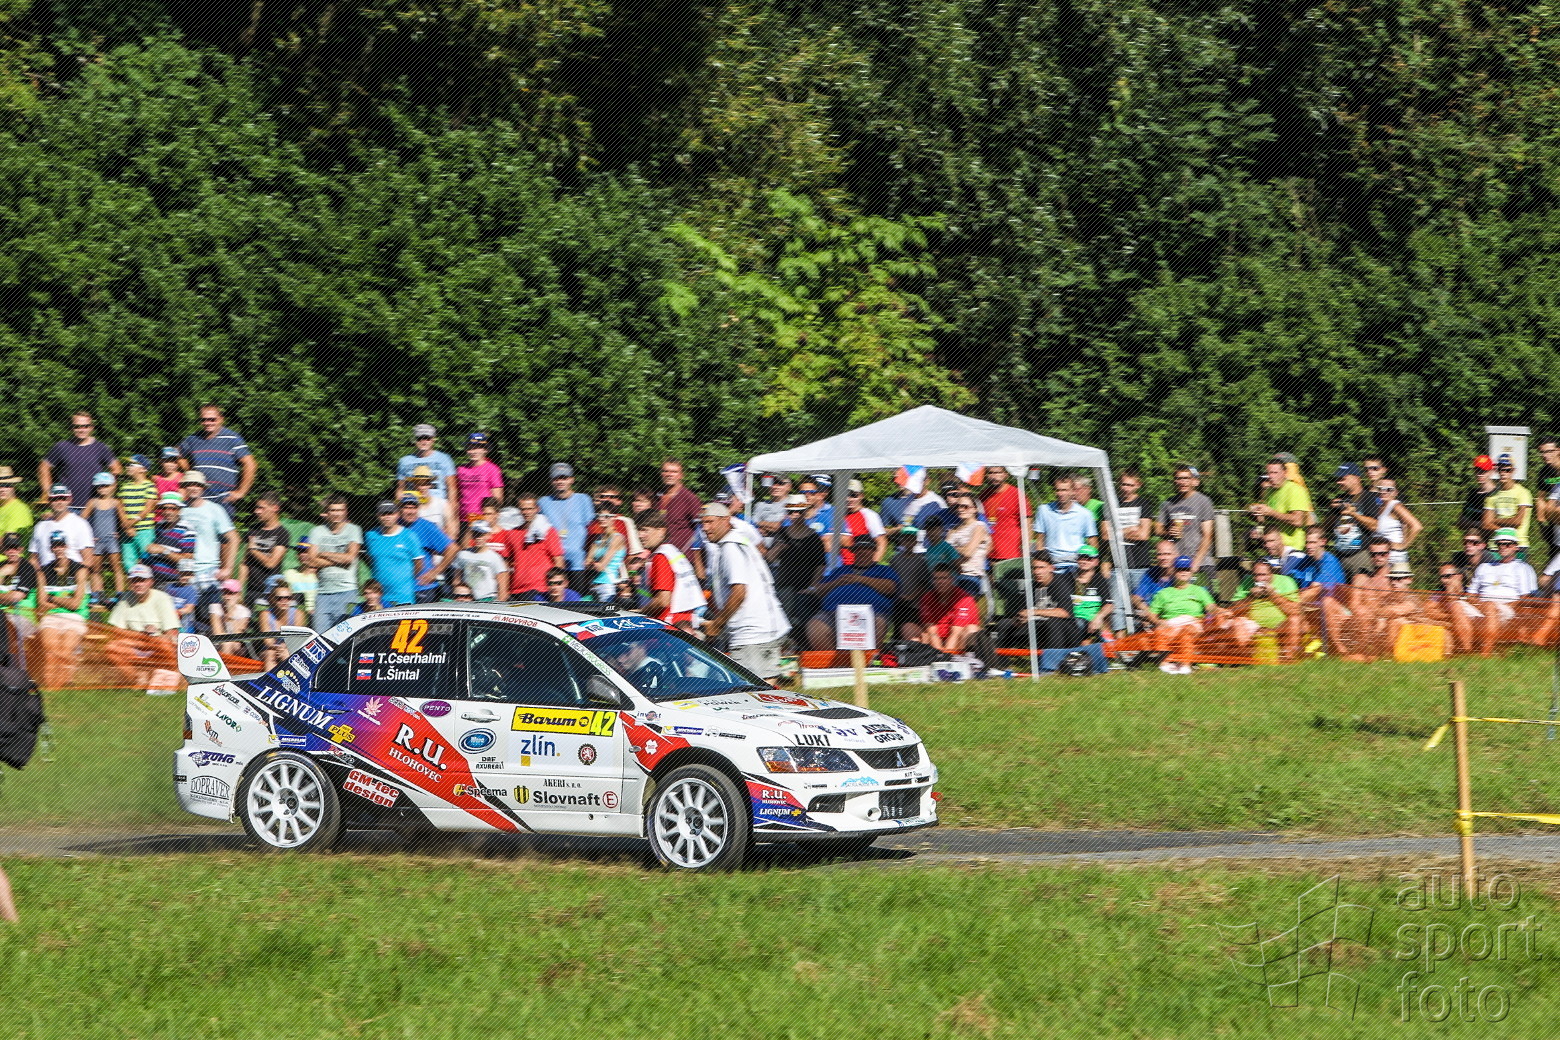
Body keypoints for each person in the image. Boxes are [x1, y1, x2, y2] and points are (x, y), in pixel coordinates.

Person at [701, 503, 790, 677]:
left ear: (726, 520)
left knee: (748, 687)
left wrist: (717, 625)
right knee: (766, 683)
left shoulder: (730, 548)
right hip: (765, 628)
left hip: (751, 633)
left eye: (710, 522)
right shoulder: (739, 541)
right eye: (703, 523)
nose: (705, 528)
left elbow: (739, 592)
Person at [802, 534, 900, 650]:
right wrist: (837, 582)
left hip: (871, 613)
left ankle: (871, 659)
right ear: (853, 551)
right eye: (858, 549)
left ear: (874, 551)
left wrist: (860, 579)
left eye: (866, 549)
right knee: (815, 625)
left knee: (879, 623)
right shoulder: (840, 571)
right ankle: (837, 661)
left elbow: (891, 588)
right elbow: (819, 591)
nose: (862, 552)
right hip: (833, 612)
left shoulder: (883, 570)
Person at [105, 564, 182, 693]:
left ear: (151, 582)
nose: (138, 584)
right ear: (130, 583)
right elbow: (115, 630)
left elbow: (172, 631)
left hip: (156, 644)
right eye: (134, 580)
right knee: (111, 647)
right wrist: (141, 635)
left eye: (142, 580)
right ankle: (136, 679)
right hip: (135, 644)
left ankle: (173, 678)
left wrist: (156, 637)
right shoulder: (125, 599)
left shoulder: (162, 598)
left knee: (164, 643)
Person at [1469, 528, 1538, 655]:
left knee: (1490, 606)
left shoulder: (1522, 568)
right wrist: (1480, 604)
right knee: (1455, 605)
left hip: (1506, 608)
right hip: (1480, 605)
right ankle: (1465, 652)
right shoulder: (1484, 567)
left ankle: (1485, 654)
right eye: (1499, 544)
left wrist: (1502, 606)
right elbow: (1470, 594)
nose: (1502, 547)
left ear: (1516, 547)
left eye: (1507, 544)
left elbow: (1525, 597)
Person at [34, 533, 89, 689]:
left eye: (61, 545)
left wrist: (52, 598)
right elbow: (41, 604)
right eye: (55, 546)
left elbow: (76, 604)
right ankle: (52, 686)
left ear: (66, 546)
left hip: (74, 617)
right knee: (50, 651)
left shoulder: (79, 569)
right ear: (51, 548)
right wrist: (65, 601)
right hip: (51, 617)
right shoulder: (43, 571)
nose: (58, 549)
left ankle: (63, 685)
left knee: (66, 650)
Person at [1144, 555, 1216, 673]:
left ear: (1191, 571)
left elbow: (1211, 607)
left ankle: (1185, 665)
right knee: (1159, 631)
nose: (1183, 572)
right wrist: (1158, 622)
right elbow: (1151, 614)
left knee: (1186, 631)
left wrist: (1219, 610)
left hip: (1192, 623)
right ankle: (1165, 664)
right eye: (1180, 569)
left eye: (1187, 569)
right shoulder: (1163, 593)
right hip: (1171, 624)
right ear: (1174, 571)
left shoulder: (1199, 590)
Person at [767, 494, 827, 635]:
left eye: (798, 512)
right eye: (791, 511)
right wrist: (778, 548)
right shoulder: (781, 533)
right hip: (784, 583)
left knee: (802, 617)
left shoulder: (813, 537)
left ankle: (800, 642)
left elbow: (820, 565)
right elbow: (769, 558)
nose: (794, 515)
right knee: (783, 614)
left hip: (805, 586)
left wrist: (813, 587)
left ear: (805, 512)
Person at [179, 405, 255, 514]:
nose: (208, 423)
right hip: (199, 499)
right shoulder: (193, 439)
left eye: (212, 419)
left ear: (221, 419)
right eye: (204, 420)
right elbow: (178, 455)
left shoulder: (232, 438)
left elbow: (250, 464)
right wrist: (190, 473)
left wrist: (241, 492)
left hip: (224, 499)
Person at [994, 552, 1077, 651]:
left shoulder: (1060, 584)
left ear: (1051, 568)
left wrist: (1033, 612)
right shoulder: (1032, 586)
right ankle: (1001, 658)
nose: (1037, 572)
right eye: (1034, 568)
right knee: (1004, 623)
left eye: (1041, 567)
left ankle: (1053, 658)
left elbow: (1065, 612)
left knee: (1052, 623)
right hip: (1038, 624)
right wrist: (1020, 618)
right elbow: (1025, 610)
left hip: (1064, 628)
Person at [1223, 558, 1304, 658]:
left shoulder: (1286, 581)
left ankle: (1289, 657)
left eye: (1263, 575)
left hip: (1281, 626)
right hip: (1255, 627)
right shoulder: (1246, 582)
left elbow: (1295, 610)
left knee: (1295, 619)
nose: (1259, 579)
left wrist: (1273, 595)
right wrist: (1251, 597)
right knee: (1237, 622)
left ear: (1271, 574)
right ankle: (1247, 659)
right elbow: (1235, 610)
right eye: (1256, 575)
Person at [38, 411, 118, 512]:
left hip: (94, 507)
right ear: (71, 428)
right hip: (66, 506)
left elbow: (117, 469)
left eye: (85, 426)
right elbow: (43, 467)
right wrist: (48, 492)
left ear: (91, 427)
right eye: (77, 426)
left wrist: (107, 493)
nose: (81, 430)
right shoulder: (62, 447)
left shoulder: (100, 447)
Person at [637, 512, 704, 628]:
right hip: (685, 620)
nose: (640, 535)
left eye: (645, 530)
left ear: (661, 531)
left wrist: (639, 614)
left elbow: (663, 601)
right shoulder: (672, 551)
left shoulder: (660, 557)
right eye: (638, 530)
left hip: (669, 623)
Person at [494, 493, 562, 599]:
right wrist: (504, 591)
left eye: (530, 509)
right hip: (515, 589)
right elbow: (506, 565)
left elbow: (558, 561)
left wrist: (558, 587)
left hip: (541, 589)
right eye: (523, 509)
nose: (526, 512)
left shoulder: (548, 531)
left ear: (537, 509)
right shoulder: (512, 533)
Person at [178, 471, 237, 591]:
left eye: (198, 485)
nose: (194, 488)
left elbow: (234, 538)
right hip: (183, 570)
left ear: (203, 488)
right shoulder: (179, 510)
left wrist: (228, 568)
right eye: (190, 484)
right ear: (184, 487)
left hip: (208, 569)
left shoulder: (215, 509)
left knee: (209, 603)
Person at [903, 562, 981, 654]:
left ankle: (963, 659)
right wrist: (938, 653)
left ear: (951, 580)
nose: (940, 582)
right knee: (908, 627)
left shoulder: (964, 598)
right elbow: (931, 631)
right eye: (936, 578)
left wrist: (946, 655)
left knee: (972, 629)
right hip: (935, 641)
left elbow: (956, 633)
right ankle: (918, 659)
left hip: (958, 642)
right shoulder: (927, 597)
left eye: (944, 578)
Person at [396, 423, 458, 537]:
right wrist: (400, 510)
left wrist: (451, 516)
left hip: (437, 507)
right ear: (415, 440)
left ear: (433, 439)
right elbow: (400, 489)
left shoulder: (444, 459)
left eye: (427, 438)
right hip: (414, 506)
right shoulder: (405, 461)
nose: (424, 441)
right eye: (420, 438)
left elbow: (452, 488)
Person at [1157, 465, 1216, 581]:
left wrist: (1196, 562)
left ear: (1192, 481)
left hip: (1201, 563)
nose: (1182, 482)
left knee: (1204, 593)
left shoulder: (1203, 501)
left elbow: (1208, 535)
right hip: (1176, 563)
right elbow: (1158, 529)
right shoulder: (1167, 503)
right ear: (1175, 481)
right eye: (1179, 478)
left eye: (1186, 478)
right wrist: (1168, 531)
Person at [540, 462, 596, 584]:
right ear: (551, 481)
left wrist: (590, 556)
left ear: (571, 480)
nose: (560, 481)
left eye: (564, 478)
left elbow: (593, 529)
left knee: (577, 594)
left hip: (578, 560)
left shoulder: (583, 499)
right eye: (556, 478)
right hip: (553, 560)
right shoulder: (543, 502)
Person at [1103, 468, 1157, 590]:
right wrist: (1129, 530)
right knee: (1117, 600)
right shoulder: (1110, 504)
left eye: (1130, 485)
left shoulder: (1144, 504)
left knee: (1139, 599)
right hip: (1116, 563)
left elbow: (1144, 535)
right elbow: (1105, 535)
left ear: (1138, 485)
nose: (1126, 489)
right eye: (1124, 484)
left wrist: (1115, 532)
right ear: (1119, 483)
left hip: (1140, 564)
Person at [397, 494, 456, 603]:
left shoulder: (426, 526)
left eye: (414, 507)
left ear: (418, 508)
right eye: (406, 507)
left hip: (421, 587)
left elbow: (452, 549)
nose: (410, 511)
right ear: (399, 509)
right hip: (397, 587)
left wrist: (435, 572)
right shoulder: (394, 525)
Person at [1249, 453, 1314, 552]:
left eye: (1275, 472)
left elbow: (1298, 521)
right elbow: (1269, 519)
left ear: (1285, 473)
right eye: (1269, 473)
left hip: (1292, 548)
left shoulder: (1295, 490)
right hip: (1273, 548)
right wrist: (1258, 515)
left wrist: (1271, 512)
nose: (1271, 476)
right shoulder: (1269, 491)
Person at [1326, 463, 1382, 578]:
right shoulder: (1340, 499)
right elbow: (1326, 528)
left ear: (1356, 478)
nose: (1338, 482)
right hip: (1339, 556)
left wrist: (1353, 513)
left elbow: (1374, 525)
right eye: (1337, 479)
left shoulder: (1369, 497)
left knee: (1359, 588)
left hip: (1360, 555)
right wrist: (1332, 511)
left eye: (1342, 479)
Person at [364, 501, 424, 607]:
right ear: (378, 515)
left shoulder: (409, 535)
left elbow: (419, 564)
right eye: (383, 514)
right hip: (378, 596)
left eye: (390, 513)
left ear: (397, 514)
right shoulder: (370, 535)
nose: (387, 517)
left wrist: (404, 579)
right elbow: (370, 560)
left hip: (403, 595)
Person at [1033, 474, 1095, 573]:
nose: (1061, 493)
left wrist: (1089, 568)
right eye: (1058, 490)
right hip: (1052, 564)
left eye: (1065, 490)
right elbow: (1040, 540)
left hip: (1076, 564)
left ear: (1073, 491)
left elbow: (1092, 542)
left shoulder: (1085, 514)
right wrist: (1042, 563)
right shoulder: (1044, 510)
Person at [239, 491, 290, 608]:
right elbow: (244, 563)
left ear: (275, 508)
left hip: (271, 592)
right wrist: (239, 591)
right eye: (257, 507)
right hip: (251, 590)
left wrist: (253, 550)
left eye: (261, 508)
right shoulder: (253, 529)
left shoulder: (282, 533)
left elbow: (271, 563)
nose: (257, 511)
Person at [29, 485, 94, 573]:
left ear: (69, 500)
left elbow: (88, 561)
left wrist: (66, 571)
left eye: (63, 498)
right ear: (49, 501)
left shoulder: (80, 523)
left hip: (72, 576)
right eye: (55, 499)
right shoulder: (40, 526)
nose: (59, 502)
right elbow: (33, 559)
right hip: (46, 576)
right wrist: (39, 575)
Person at [80, 472, 124, 600]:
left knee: (116, 567)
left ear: (112, 486)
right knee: (96, 569)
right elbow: (81, 520)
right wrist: (88, 536)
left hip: (111, 540)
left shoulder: (116, 503)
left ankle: (119, 594)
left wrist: (120, 532)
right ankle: (97, 594)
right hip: (97, 540)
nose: (103, 488)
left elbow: (123, 521)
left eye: (105, 485)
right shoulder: (92, 502)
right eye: (100, 486)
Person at [1483, 455, 1534, 553]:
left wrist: (1494, 520)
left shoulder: (1523, 493)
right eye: (1500, 470)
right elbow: (1486, 524)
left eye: (1507, 470)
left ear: (1513, 471)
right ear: (1497, 471)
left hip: (1517, 544)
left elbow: (1518, 521)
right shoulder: (1492, 495)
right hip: (1495, 545)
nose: (1503, 473)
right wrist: (1508, 527)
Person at [945, 490, 992, 594]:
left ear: (974, 509)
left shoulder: (979, 527)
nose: (960, 509)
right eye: (957, 506)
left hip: (970, 576)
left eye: (965, 506)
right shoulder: (953, 529)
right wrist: (956, 550)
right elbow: (942, 552)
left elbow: (968, 552)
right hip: (950, 576)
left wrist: (949, 548)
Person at [116, 455, 158, 568]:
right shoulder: (125, 486)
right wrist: (126, 526)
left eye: (131, 465)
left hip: (145, 530)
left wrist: (131, 523)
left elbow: (148, 508)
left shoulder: (150, 486)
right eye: (127, 465)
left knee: (147, 560)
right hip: (127, 530)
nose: (127, 467)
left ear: (143, 469)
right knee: (128, 562)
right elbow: (120, 506)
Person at [145, 493, 195, 587]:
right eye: (164, 508)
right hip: (154, 581)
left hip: (175, 583)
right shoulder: (159, 526)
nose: (168, 512)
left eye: (172, 509)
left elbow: (188, 559)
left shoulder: (187, 528)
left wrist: (164, 551)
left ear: (179, 510)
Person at [456, 432, 504, 530]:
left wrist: (490, 518)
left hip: (482, 519)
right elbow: (456, 494)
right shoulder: (460, 469)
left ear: (485, 449)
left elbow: (497, 498)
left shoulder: (492, 469)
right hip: (462, 518)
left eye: (478, 447)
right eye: (470, 448)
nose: (474, 451)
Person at [979, 467, 1024, 568]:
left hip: (1011, 553)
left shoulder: (1016, 494)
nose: (994, 476)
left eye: (998, 472)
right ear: (986, 475)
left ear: (1005, 474)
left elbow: (1027, 524)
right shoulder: (983, 495)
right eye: (991, 473)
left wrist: (1026, 548)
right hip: (988, 552)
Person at [1372, 478, 1422, 567]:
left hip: (1394, 556)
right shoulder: (1380, 507)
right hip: (1380, 556)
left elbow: (1416, 526)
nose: (1384, 492)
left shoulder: (1395, 506)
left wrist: (1403, 545)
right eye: (1380, 488)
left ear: (1395, 492)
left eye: (1389, 489)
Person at [834, 479, 886, 565]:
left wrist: (872, 564)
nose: (849, 499)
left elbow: (881, 542)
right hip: (837, 566)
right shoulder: (835, 514)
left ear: (861, 496)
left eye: (854, 495)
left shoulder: (869, 515)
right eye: (845, 495)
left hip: (858, 566)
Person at [1069, 545, 1115, 642]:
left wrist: (1098, 617)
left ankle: (1109, 646)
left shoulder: (1100, 579)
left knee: (1108, 638)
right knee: (1077, 625)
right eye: (1081, 557)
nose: (1084, 561)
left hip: (1096, 621)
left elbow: (1109, 605)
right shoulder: (1068, 578)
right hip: (1074, 620)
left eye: (1089, 558)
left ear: (1096, 562)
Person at [455, 521, 509, 601]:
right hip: (467, 599)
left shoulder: (495, 557)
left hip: (488, 599)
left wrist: (499, 603)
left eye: (482, 534)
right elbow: (456, 581)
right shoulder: (462, 555)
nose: (478, 538)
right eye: (476, 534)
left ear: (489, 535)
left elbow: (503, 588)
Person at [658, 459, 704, 553]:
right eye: (666, 471)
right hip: (659, 553)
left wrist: (697, 554)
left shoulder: (689, 498)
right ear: (661, 474)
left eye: (674, 472)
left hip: (682, 555)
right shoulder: (656, 497)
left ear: (681, 475)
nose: (669, 474)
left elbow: (701, 528)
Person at [258, 582, 305, 669]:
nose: (284, 601)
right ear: (272, 599)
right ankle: (269, 678)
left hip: (290, 647)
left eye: (288, 598)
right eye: (279, 598)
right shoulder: (265, 614)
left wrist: (285, 647)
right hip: (270, 648)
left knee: (287, 654)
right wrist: (278, 648)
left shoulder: (298, 614)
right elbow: (267, 640)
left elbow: (296, 638)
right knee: (270, 654)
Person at [207, 578, 253, 655]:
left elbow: (237, 635)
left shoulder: (244, 611)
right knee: (227, 644)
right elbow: (217, 633)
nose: (227, 596)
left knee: (235, 645)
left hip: (235, 643)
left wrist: (230, 613)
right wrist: (227, 614)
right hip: (217, 643)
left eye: (231, 593)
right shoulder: (215, 607)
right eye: (225, 592)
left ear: (238, 595)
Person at [1459, 455, 1499, 532]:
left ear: (1491, 471)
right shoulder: (1473, 494)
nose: (1480, 474)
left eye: (1484, 471)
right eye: (1477, 470)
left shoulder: (1498, 493)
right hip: (1475, 536)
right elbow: (1462, 522)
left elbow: (1499, 523)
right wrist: (1484, 524)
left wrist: (1473, 523)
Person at [751, 474, 792, 546]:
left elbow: (783, 527)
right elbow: (752, 526)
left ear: (789, 486)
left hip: (786, 545)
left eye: (780, 483)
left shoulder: (794, 503)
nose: (775, 487)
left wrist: (760, 523)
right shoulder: (760, 505)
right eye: (772, 483)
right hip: (762, 545)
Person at [0, 467, 32, 545]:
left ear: (14, 486)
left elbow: (9, 541)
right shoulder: (2, 507)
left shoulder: (19, 509)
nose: (2, 489)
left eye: (6, 485)